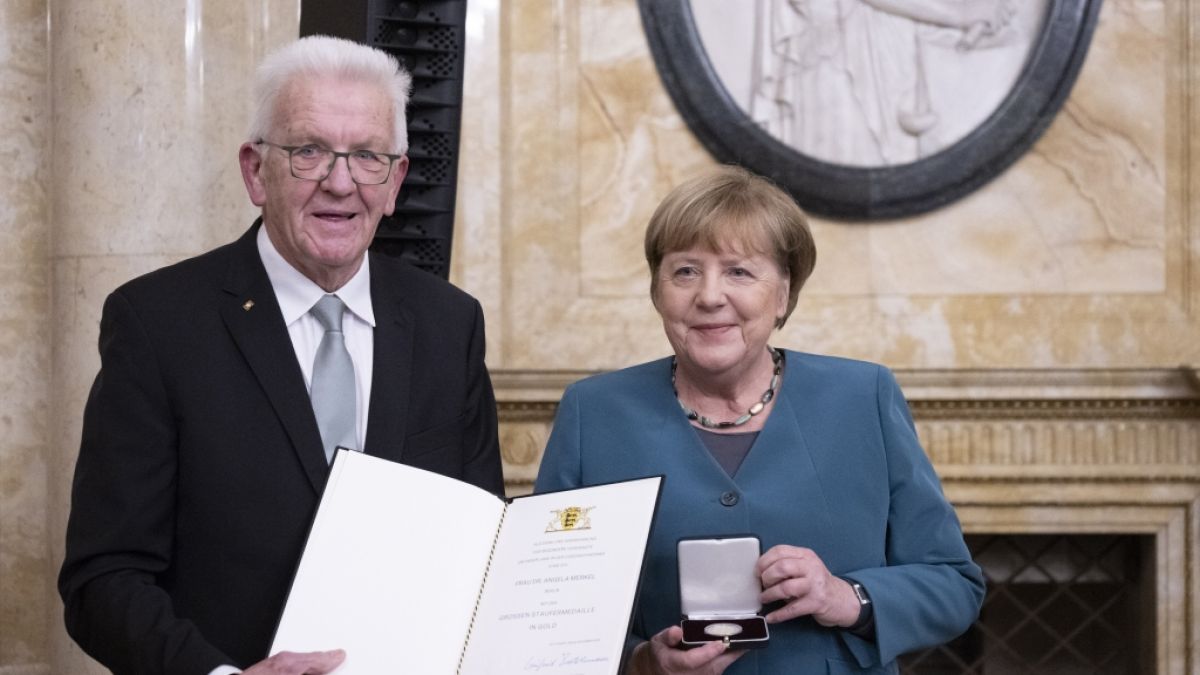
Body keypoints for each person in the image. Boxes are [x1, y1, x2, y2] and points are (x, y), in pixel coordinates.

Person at [58, 36, 503, 675]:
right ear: (253, 170)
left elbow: (479, 544)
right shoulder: (158, 324)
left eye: (369, 156)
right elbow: (103, 578)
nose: (341, 182)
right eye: (309, 151)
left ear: (397, 179)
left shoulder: (448, 324)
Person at [535, 166, 983, 673]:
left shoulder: (864, 397)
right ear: (658, 291)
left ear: (784, 293)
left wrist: (845, 597)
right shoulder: (592, 412)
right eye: (685, 271)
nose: (708, 295)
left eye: (739, 271)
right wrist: (640, 663)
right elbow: (548, 609)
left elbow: (954, 584)